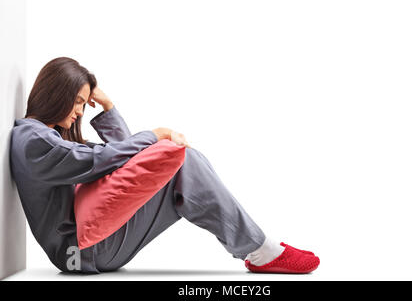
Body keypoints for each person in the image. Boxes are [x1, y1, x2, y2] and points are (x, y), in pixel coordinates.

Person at [9, 57, 320, 274]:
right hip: (81, 254)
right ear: (57, 93)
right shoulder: (34, 139)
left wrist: (108, 107)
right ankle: (260, 250)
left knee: (178, 163)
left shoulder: (48, 138)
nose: (79, 111)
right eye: (78, 101)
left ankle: (257, 247)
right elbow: (98, 161)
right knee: (183, 162)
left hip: (84, 252)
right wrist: (154, 135)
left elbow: (123, 161)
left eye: (83, 103)